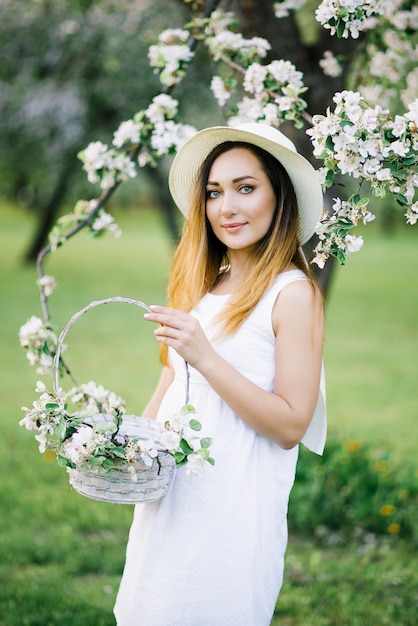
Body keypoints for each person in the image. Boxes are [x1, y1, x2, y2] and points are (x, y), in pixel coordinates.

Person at [114, 122, 326, 625]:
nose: (226, 208)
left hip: (230, 517)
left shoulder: (292, 294)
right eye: (214, 193)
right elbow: (172, 382)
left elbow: (291, 425)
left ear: (280, 198)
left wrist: (207, 356)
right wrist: (131, 450)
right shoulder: (207, 283)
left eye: (245, 189)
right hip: (170, 504)